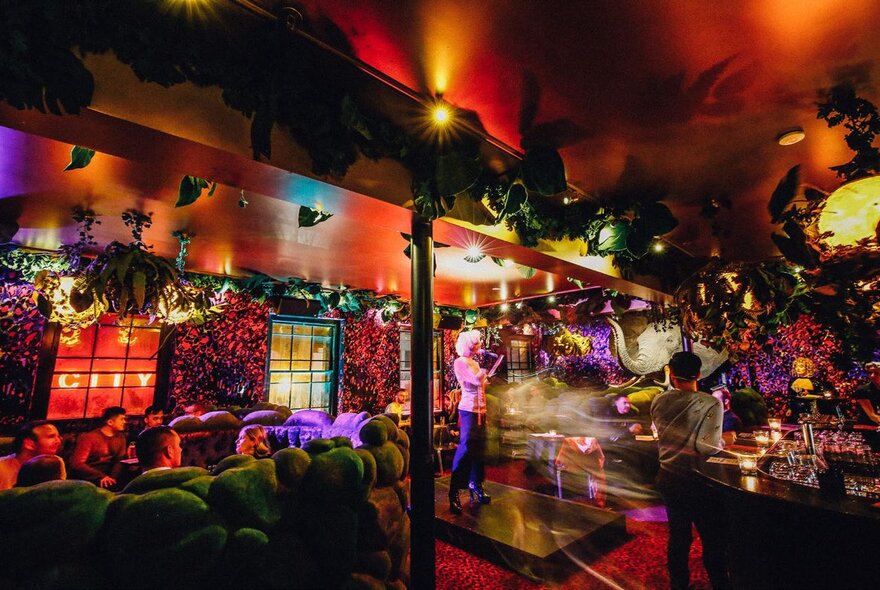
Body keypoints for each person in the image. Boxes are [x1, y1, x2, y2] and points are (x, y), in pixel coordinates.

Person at [651, 352, 730, 590]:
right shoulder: (710, 403)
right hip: (699, 481)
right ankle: (720, 583)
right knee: (712, 538)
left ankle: (679, 585)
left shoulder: (658, 401)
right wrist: (726, 439)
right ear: (699, 374)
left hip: (668, 476)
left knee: (678, 537)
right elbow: (707, 447)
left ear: (672, 375)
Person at [448, 330, 491, 515]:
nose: (479, 345)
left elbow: (481, 384)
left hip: (481, 410)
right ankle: (454, 490)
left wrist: (484, 376)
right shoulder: (460, 362)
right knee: (465, 448)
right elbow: (474, 381)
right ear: (468, 344)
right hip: (468, 411)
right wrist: (484, 372)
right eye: (476, 343)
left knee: (479, 449)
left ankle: (476, 483)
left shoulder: (475, 362)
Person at [69, 406, 128, 488]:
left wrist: (112, 478)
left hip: (108, 478)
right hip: (88, 479)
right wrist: (101, 476)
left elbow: (119, 460)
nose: (125, 422)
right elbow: (77, 464)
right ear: (110, 422)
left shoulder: (121, 437)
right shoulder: (89, 437)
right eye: (122, 419)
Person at [0, 420, 63, 490]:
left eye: (59, 436)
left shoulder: (56, 462)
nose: (59, 441)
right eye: (51, 437)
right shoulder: (2, 468)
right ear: (29, 444)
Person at [853, 362, 880, 426]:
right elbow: (872, 416)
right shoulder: (863, 390)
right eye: (870, 373)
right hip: (868, 428)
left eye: (876, 373)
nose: (872, 376)